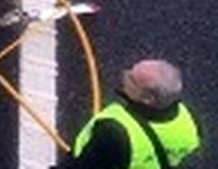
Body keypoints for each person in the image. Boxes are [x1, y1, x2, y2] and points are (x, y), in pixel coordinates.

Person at [63, 59, 201, 168]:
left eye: (132, 79)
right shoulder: (190, 121)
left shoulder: (113, 131)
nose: (124, 74)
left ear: (147, 99)